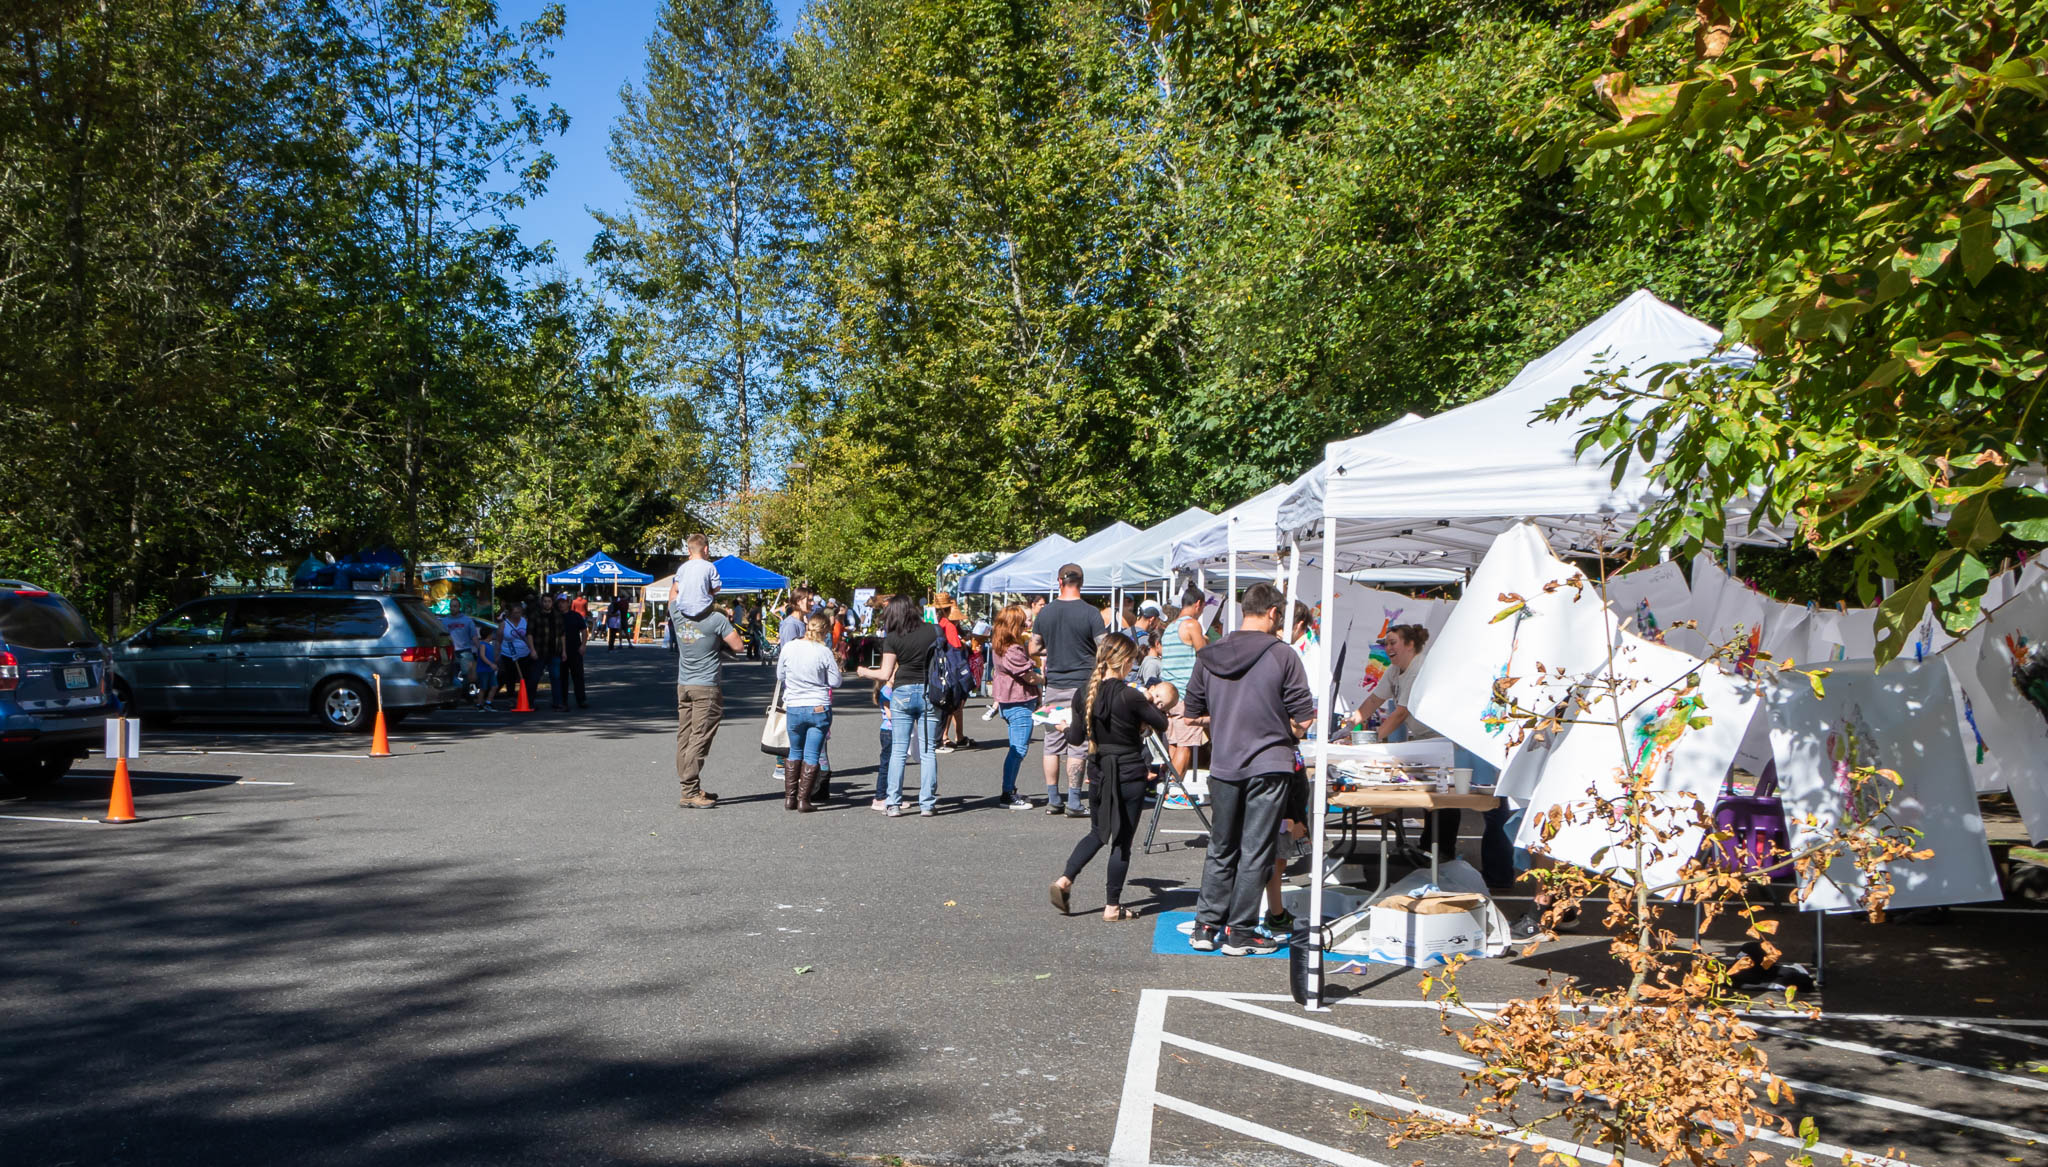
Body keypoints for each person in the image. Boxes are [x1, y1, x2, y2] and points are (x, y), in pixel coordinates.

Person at [1183, 582, 1314, 956]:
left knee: (1222, 846)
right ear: (1273, 613)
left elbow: (1192, 714)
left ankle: (1206, 926)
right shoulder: (1283, 655)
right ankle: (1240, 931)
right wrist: (1273, 723)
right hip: (1269, 762)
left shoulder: (1208, 654)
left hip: (1225, 761)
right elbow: (1303, 719)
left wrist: (1226, 718)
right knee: (1256, 848)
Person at [1048, 635, 1171, 922]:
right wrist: (1151, 699)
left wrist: (1064, 727)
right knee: (1122, 841)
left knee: (1097, 832)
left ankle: (1065, 879)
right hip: (1129, 770)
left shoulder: (1084, 693)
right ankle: (1112, 906)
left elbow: (1076, 737)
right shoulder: (1131, 695)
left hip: (1099, 768)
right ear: (1126, 662)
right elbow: (1162, 723)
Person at [857, 594, 942, 817]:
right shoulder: (933, 630)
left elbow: (885, 673)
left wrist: (865, 671)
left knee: (898, 751)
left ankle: (893, 803)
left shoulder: (893, 637)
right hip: (928, 691)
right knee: (927, 751)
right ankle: (927, 804)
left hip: (902, 692)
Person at [1031, 563, 1101, 816]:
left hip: (1054, 685)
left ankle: (1053, 799)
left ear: (1059, 581)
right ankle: (1073, 801)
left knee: (1052, 742)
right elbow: (1103, 648)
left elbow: (1033, 648)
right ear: (1081, 582)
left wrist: (1056, 650)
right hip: (1081, 686)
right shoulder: (1091, 613)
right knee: (1078, 741)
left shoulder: (1046, 613)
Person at [672, 597, 743, 809]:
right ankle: (690, 791)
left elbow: (674, 593)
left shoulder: (677, 614)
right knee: (700, 738)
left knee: (684, 737)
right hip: (706, 686)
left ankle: (689, 787)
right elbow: (738, 645)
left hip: (684, 684)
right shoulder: (716, 619)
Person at [777, 610, 842, 813]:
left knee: (795, 751)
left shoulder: (789, 647)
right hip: (818, 706)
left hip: (795, 705)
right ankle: (804, 800)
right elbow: (835, 681)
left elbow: (780, 674)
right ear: (825, 631)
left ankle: (789, 798)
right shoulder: (824, 652)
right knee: (812, 753)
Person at [988, 603, 1040, 809]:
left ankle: (1009, 790)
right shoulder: (1013, 649)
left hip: (1008, 700)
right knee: (1018, 749)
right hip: (1018, 700)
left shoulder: (999, 643)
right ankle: (1007, 793)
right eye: (1022, 622)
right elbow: (1028, 675)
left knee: (1015, 748)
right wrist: (1046, 678)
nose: (1026, 625)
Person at [1158, 588, 1210, 784]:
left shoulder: (1170, 627)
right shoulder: (1191, 624)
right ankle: (1173, 787)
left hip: (1169, 694)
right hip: (1185, 692)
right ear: (1198, 604)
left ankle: (1168, 782)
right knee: (1186, 744)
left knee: (1173, 741)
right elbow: (1205, 656)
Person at [933, 593, 971, 752]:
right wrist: (966, 642)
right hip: (953, 668)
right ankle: (944, 736)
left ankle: (957, 736)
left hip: (944, 666)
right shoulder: (948, 625)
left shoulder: (940, 623)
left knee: (956, 704)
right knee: (953, 702)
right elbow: (956, 646)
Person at [499, 600, 538, 706]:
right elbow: (499, 641)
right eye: (515, 613)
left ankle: (527, 699)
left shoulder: (525, 621)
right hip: (508, 654)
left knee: (527, 676)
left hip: (524, 653)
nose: (518, 615)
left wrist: (532, 649)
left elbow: (529, 636)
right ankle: (511, 698)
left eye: (519, 612)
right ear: (510, 613)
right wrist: (496, 655)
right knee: (510, 677)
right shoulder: (504, 624)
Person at [555, 594, 589, 709]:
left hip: (575, 649)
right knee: (562, 677)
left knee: (578, 676)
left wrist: (583, 645)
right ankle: (562, 701)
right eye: (559, 602)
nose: (561, 604)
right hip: (559, 650)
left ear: (568, 603)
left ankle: (581, 699)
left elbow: (584, 630)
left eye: (563, 602)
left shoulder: (575, 616)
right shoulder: (555, 616)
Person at [675, 533, 722, 620]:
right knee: (722, 618)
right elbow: (717, 588)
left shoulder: (682, 568)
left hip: (683, 611)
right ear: (706, 549)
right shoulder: (709, 566)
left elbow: (677, 588)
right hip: (704, 609)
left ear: (689, 551)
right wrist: (710, 591)